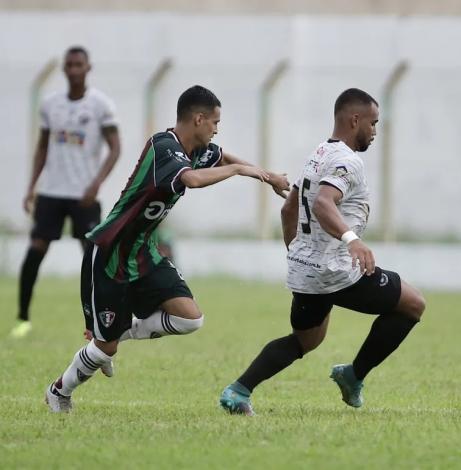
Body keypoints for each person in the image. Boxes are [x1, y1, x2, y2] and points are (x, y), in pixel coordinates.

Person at [45, 85, 290, 412]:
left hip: (143, 252)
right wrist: (240, 171)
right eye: (215, 122)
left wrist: (267, 176)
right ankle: (59, 392)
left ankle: (121, 332)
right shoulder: (164, 147)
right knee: (104, 350)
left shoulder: (196, 148)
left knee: (191, 319)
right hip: (110, 253)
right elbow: (192, 180)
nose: (217, 129)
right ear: (199, 119)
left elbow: (222, 156)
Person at [219, 88, 426, 416]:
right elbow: (322, 203)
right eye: (373, 123)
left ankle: (238, 390)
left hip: (307, 271)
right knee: (413, 305)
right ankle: (353, 376)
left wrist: (298, 253)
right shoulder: (348, 160)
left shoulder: (319, 153)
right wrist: (351, 240)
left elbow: (289, 209)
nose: (375, 131)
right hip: (337, 271)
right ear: (354, 119)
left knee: (305, 340)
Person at [10, 46, 121, 338]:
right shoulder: (50, 104)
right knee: (35, 250)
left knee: (94, 258)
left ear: (88, 68)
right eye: (69, 65)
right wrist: (31, 187)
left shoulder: (101, 105)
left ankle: (101, 322)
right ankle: (22, 318)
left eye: (78, 65)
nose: (73, 70)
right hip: (52, 193)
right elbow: (42, 147)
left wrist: (96, 184)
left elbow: (115, 148)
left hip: (84, 195)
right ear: (63, 69)